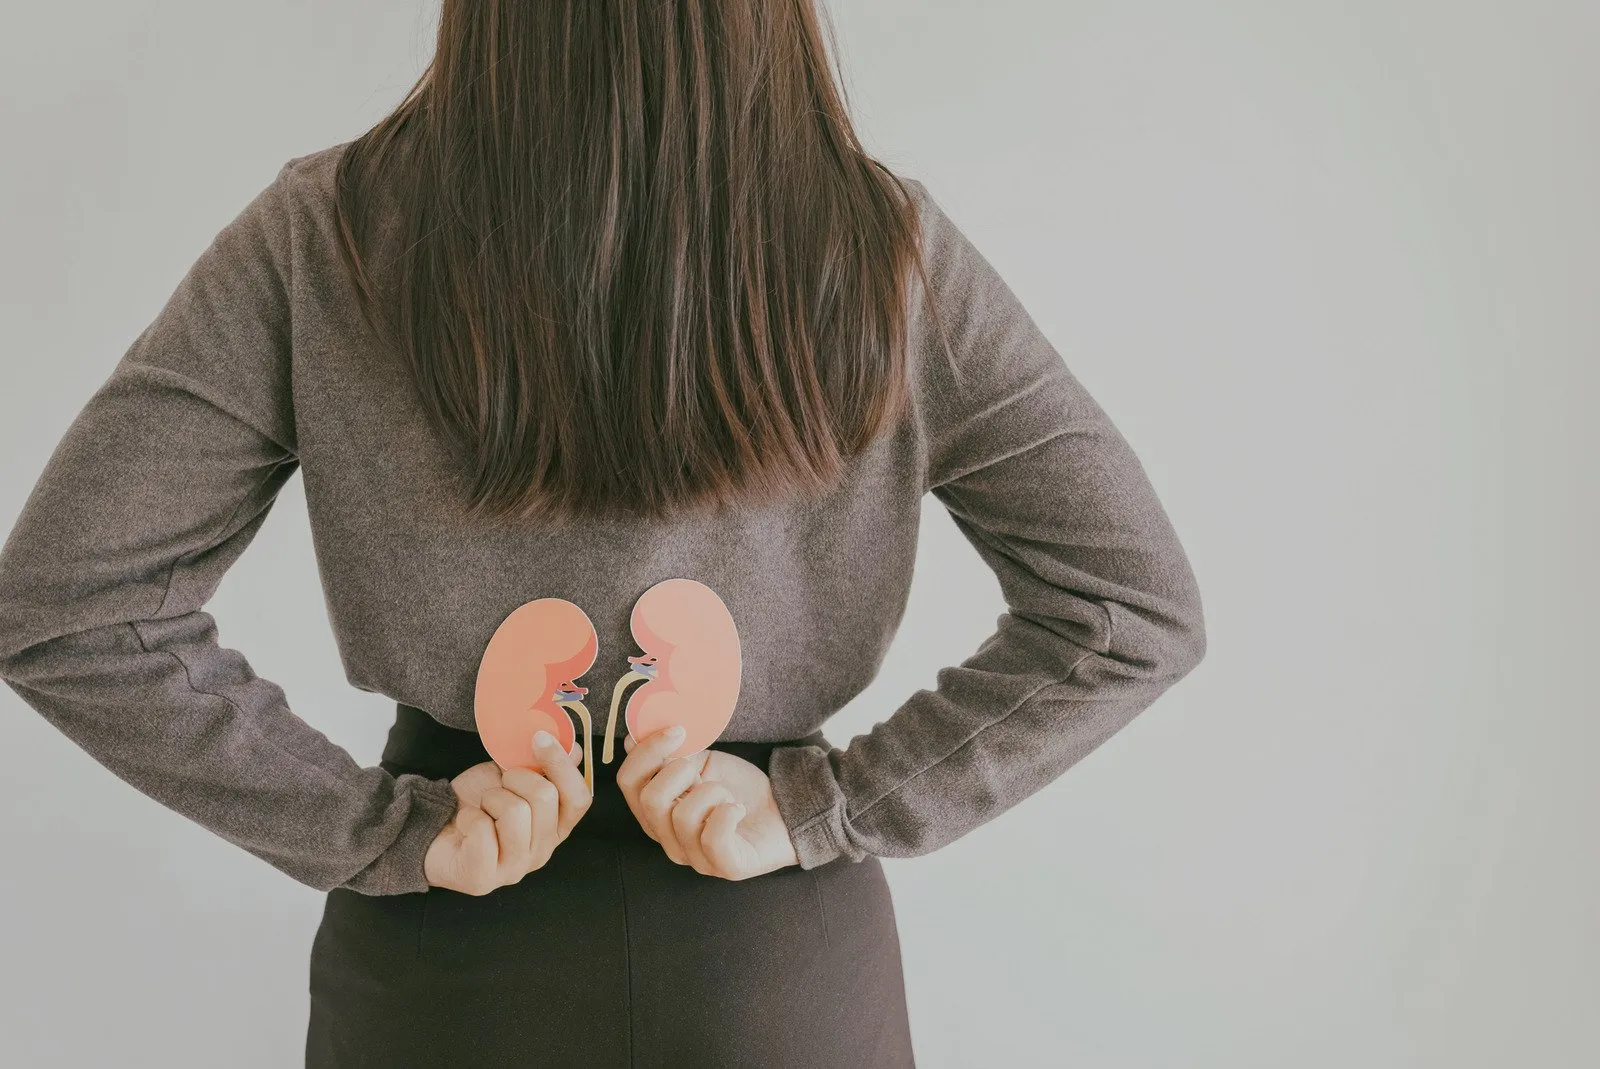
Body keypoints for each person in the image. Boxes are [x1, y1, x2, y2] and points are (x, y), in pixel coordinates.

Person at [0, 3, 1207, 1067]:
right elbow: (1128, 611)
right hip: (777, 969)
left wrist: (378, 829)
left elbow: (70, 607)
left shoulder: (324, 238)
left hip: (447, 955)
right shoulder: (884, 248)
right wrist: (823, 807)